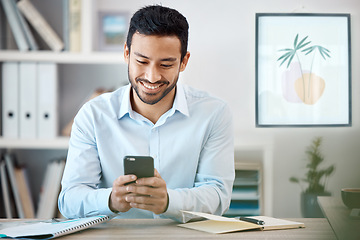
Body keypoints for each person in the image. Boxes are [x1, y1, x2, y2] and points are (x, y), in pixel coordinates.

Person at [58, 5, 234, 223]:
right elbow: (69, 200)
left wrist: (169, 201)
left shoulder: (214, 114)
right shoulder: (93, 115)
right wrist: (111, 200)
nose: (152, 76)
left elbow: (218, 196)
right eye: (142, 61)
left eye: (166, 64)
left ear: (184, 62)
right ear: (126, 53)